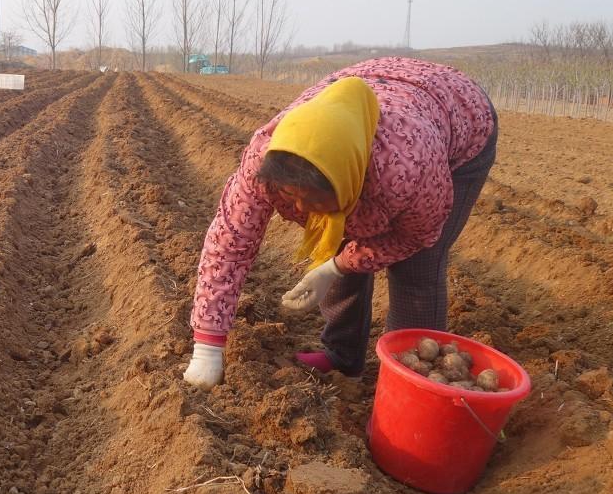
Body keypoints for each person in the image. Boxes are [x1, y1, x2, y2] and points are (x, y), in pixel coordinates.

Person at [183, 57, 498, 390]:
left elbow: (415, 236)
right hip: (380, 97)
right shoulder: (264, 162)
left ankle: (412, 384)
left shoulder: (407, 171)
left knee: (416, 268)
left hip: (460, 114)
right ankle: (342, 358)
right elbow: (228, 246)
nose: (302, 208)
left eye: (315, 199)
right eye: (292, 196)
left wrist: (339, 266)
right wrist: (208, 346)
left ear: (354, 181)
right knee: (333, 237)